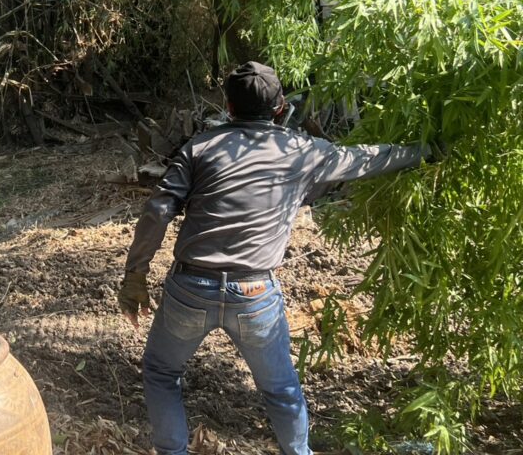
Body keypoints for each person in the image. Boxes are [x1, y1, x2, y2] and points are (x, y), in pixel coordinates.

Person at [118, 61, 425, 455]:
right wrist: (424, 151)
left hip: (191, 288)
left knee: (162, 373)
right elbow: (365, 159)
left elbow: (157, 211)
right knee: (280, 389)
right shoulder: (300, 150)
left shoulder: (200, 148)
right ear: (280, 108)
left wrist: (135, 277)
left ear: (229, 106)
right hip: (255, 293)